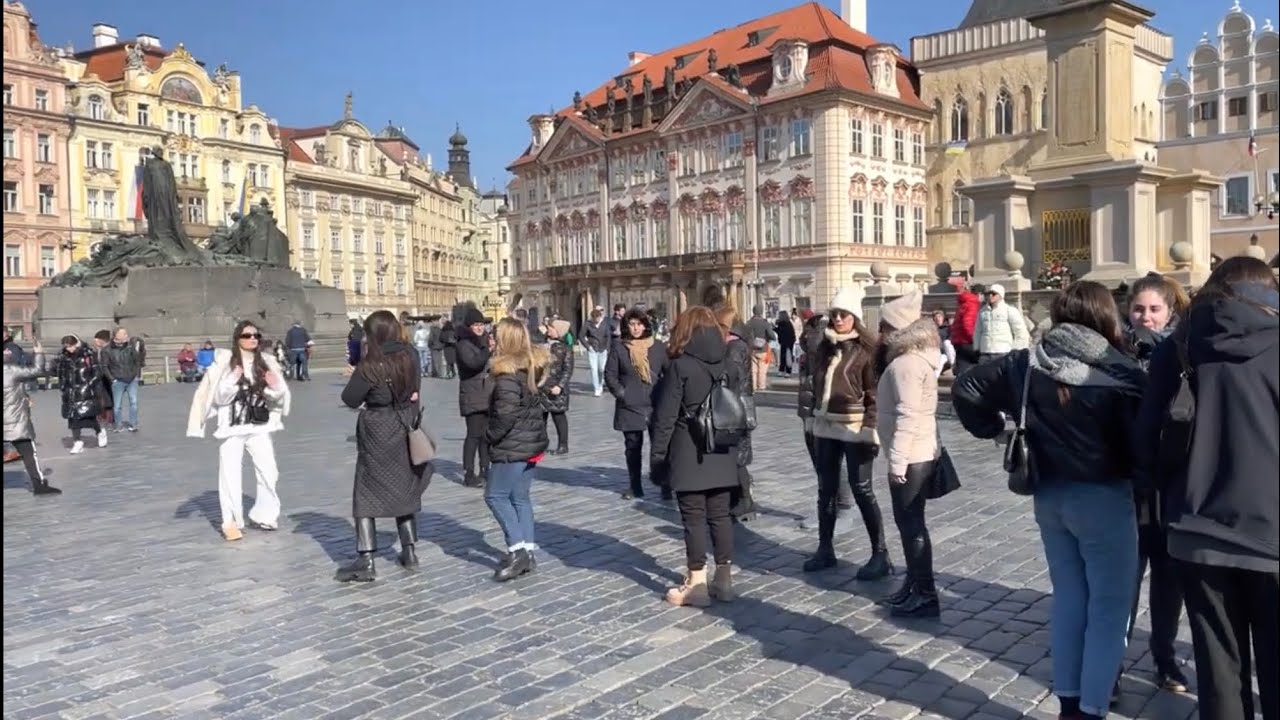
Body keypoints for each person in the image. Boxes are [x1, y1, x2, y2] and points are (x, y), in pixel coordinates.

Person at [953, 281, 1145, 720]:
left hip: (1049, 495)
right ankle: (1093, 707)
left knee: (1069, 598)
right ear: (1104, 317)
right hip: (1105, 499)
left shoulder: (1027, 362)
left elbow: (965, 388)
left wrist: (991, 429)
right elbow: (1145, 442)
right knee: (1110, 609)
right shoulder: (1123, 371)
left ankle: (1069, 703)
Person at [1135, 256, 1278, 720]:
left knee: (1218, 675)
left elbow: (1146, 442)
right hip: (1273, 533)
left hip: (1196, 530)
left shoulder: (1176, 347)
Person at [1123, 272, 1192, 694]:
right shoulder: (1115, 354)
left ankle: (1165, 659)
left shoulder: (1184, 357)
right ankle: (1110, 661)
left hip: (1169, 485)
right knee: (1124, 580)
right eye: (1138, 308)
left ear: (1170, 312)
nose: (1145, 317)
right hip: (1126, 485)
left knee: (1168, 580)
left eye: (1154, 309)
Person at [651, 306, 744, 607]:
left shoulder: (681, 366)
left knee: (693, 519)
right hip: (722, 448)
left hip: (689, 451)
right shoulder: (727, 363)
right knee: (720, 516)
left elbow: (664, 418)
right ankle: (725, 580)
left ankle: (697, 584)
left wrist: (657, 458)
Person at [336, 311, 432, 583]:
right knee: (402, 485)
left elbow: (351, 399)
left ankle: (366, 559)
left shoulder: (371, 364)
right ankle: (409, 550)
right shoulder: (410, 355)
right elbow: (415, 391)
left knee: (366, 491)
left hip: (377, 426)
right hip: (404, 423)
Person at [804, 288, 891, 580]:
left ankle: (880, 553)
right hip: (826, 425)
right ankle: (825, 548)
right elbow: (814, 385)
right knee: (825, 488)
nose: (838, 319)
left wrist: (870, 428)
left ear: (855, 316)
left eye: (844, 314)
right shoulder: (825, 347)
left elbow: (874, 394)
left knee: (861, 487)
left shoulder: (867, 350)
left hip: (855, 427)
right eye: (834, 314)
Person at [186, 320, 290, 541]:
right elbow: (219, 397)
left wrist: (276, 387)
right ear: (237, 338)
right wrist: (232, 380)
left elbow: (274, 397)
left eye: (256, 336)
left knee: (269, 471)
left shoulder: (266, 362)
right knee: (230, 474)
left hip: (259, 424)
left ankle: (265, 514)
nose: (253, 339)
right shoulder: (225, 364)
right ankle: (231, 521)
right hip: (232, 426)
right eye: (247, 335)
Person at [875, 291, 943, 617]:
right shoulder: (914, 361)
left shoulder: (905, 365)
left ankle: (925, 593)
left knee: (911, 525)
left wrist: (897, 460)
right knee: (910, 524)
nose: (881, 333)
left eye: (885, 326)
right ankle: (914, 584)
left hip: (911, 455)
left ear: (898, 330)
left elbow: (908, 414)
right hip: (918, 451)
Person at [484, 318, 550, 582]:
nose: (490, 339)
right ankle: (528, 551)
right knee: (520, 498)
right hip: (530, 442)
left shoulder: (508, 376)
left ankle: (517, 551)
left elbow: (505, 416)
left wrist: (489, 437)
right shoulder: (528, 367)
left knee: (495, 496)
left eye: (494, 335)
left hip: (513, 445)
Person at [604, 308, 669, 500]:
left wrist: (666, 396)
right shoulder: (619, 347)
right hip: (630, 404)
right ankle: (635, 486)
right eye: (631, 324)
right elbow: (610, 374)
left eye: (639, 324)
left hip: (655, 403)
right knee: (633, 447)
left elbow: (668, 373)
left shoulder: (658, 347)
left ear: (645, 325)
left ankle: (665, 484)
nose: (635, 328)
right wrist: (622, 394)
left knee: (660, 446)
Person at [715, 305, 757, 522]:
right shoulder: (736, 345)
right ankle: (739, 499)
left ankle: (744, 501)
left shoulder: (734, 347)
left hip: (734, 406)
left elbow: (733, 376)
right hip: (737, 404)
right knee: (735, 455)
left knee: (737, 456)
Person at [3, 341, 59, 494]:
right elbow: (37, 370)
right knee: (29, 454)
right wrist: (39, 353)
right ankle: (38, 485)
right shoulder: (12, 370)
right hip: (16, 421)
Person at [456, 308, 493, 487]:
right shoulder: (464, 344)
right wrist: (487, 350)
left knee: (486, 435)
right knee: (473, 435)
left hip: (486, 394)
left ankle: (485, 468)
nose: (479, 328)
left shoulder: (482, 342)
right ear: (469, 326)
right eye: (476, 325)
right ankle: (469, 473)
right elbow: (473, 363)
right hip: (472, 394)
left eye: (481, 325)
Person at [52, 335, 108, 454]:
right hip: (70, 391)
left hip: (85, 390)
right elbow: (59, 373)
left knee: (89, 417)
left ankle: (99, 432)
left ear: (76, 343)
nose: (69, 349)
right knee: (73, 419)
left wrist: (89, 384)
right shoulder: (62, 356)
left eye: (70, 346)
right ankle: (77, 442)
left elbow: (97, 372)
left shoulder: (87, 354)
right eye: (66, 347)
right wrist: (62, 386)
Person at [973, 283, 1030, 364]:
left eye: (993, 294)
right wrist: (976, 348)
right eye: (988, 293)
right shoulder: (982, 311)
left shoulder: (1009, 310)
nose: (990, 296)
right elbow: (977, 331)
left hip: (1003, 351)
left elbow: (1020, 331)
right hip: (985, 352)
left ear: (1001, 295)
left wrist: (1015, 349)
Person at [540, 319, 574, 454]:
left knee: (558, 416)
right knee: (541, 418)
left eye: (551, 328)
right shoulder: (542, 344)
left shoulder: (565, 349)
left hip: (556, 387)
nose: (548, 329)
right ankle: (542, 443)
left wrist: (560, 386)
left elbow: (568, 370)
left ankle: (563, 445)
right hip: (542, 386)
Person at [103, 326, 144, 432]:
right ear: (116, 335)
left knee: (134, 402)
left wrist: (136, 375)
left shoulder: (130, 347)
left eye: (126, 333)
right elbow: (104, 366)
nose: (126, 336)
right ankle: (118, 424)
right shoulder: (107, 350)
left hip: (131, 379)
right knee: (117, 405)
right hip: (118, 380)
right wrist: (112, 379)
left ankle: (133, 424)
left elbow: (137, 361)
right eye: (124, 334)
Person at [950, 285, 980, 377]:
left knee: (962, 367)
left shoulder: (963, 303)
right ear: (979, 294)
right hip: (967, 341)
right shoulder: (973, 304)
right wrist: (974, 339)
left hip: (958, 340)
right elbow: (967, 324)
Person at [745, 305, 776, 391]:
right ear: (761, 312)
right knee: (762, 369)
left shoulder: (748, 323)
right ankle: (761, 386)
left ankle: (753, 386)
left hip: (751, 349)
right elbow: (772, 336)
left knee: (753, 370)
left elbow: (745, 335)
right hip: (763, 349)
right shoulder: (765, 323)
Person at [582, 307, 611, 397]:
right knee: (593, 369)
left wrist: (607, 348)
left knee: (601, 369)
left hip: (603, 349)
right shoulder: (587, 324)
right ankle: (596, 388)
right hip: (593, 349)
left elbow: (608, 336)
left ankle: (600, 383)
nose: (596, 321)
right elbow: (581, 335)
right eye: (594, 319)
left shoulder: (605, 324)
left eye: (597, 319)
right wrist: (588, 346)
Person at [774, 310, 797, 376]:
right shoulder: (788, 323)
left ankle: (786, 371)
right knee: (786, 356)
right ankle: (785, 371)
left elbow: (780, 331)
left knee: (785, 356)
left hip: (786, 342)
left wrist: (774, 328)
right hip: (789, 341)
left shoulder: (784, 323)